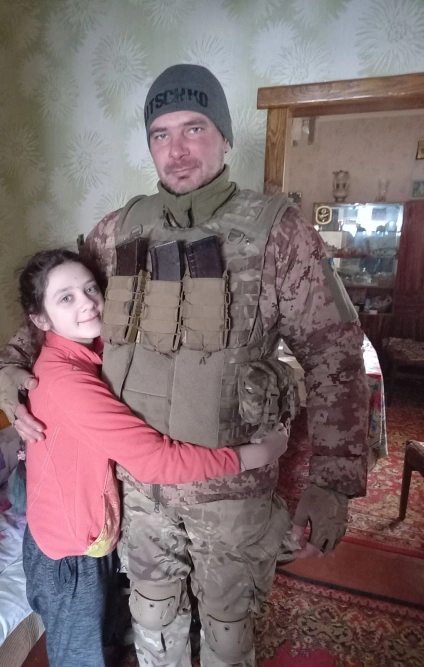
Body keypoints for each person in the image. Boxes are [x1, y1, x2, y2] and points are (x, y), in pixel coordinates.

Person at [0, 65, 369, 667]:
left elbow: (335, 355)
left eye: (194, 128)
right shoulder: (119, 232)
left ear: (225, 137)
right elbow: (56, 304)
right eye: (160, 134)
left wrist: (333, 483)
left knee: (228, 635)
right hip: (140, 493)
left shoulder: (279, 233)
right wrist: (10, 367)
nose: (177, 149)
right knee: (153, 626)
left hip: (231, 492)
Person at [16, 248, 283, 667]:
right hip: (68, 552)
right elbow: (155, 461)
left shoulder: (86, 353)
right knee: (78, 658)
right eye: (66, 297)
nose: (87, 302)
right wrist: (253, 456)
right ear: (40, 320)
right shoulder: (66, 380)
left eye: (90, 289)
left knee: (105, 636)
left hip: (81, 533)